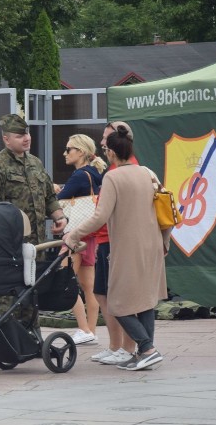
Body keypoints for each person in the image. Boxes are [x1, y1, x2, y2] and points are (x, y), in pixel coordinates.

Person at [64, 124, 168, 371]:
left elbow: (100, 217)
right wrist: (165, 240)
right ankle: (146, 351)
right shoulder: (147, 173)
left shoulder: (113, 177)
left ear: (110, 153)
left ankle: (147, 347)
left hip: (126, 246)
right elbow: (166, 207)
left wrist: (73, 234)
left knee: (117, 302)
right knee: (144, 301)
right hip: (151, 244)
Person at [0, 114, 67, 329]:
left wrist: (59, 217)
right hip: (12, 244)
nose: (26, 138)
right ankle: (6, 336)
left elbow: (49, 197)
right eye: (20, 136)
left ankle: (31, 337)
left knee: (33, 289)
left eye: (27, 133)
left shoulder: (35, 163)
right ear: (6, 139)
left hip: (37, 243)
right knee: (10, 293)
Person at [89, 121, 139, 365]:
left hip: (115, 241)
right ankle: (116, 346)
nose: (102, 143)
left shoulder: (126, 170)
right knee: (102, 293)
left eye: (107, 139)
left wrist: (77, 234)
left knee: (121, 297)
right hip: (104, 240)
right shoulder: (113, 170)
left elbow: (103, 214)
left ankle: (129, 348)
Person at [54, 134, 106, 346]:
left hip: (75, 235)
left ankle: (83, 329)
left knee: (64, 280)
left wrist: (55, 189)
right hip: (90, 235)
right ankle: (91, 331)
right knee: (89, 285)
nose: (65, 153)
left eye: (69, 149)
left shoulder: (78, 176)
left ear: (81, 152)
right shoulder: (94, 174)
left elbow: (58, 200)